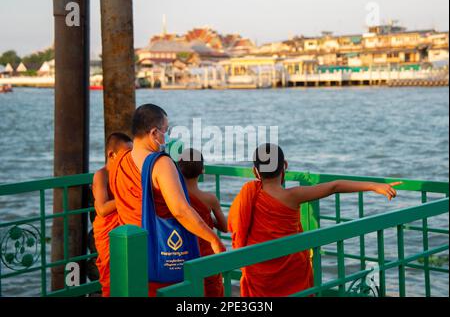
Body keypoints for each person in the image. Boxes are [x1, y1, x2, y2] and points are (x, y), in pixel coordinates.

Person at [228, 143, 402, 297]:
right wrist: (374, 186)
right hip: (291, 272)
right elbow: (335, 186)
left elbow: (235, 226)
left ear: (255, 171)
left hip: (259, 273)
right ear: (285, 166)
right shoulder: (293, 195)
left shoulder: (248, 194)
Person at [109, 104, 226, 296]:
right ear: (154, 132)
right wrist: (213, 239)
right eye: (166, 130)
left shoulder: (119, 162)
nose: (167, 136)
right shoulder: (161, 163)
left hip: (127, 253)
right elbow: (180, 210)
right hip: (160, 253)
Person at [178, 148, 227, 297]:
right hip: (206, 257)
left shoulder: (176, 198)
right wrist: (205, 220)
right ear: (202, 171)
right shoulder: (210, 199)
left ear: (178, 170)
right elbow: (225, 227)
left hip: (182, 255)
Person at [92, 132, 133, 297]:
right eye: (125, 155)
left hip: (127, 230)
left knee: (130, 275)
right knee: (111, 278)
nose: (129, 160)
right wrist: (127, 195)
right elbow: (102, 209)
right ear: (111, 154)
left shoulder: (127, 175)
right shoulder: (102, 175)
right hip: (108, 232)